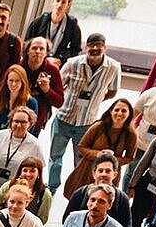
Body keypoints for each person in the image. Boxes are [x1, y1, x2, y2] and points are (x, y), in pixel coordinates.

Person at [49, 33, 121, 190]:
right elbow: (59, 86)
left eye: (99, 45)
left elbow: (112, 91)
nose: (95, 48)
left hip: (86, 122)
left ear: (105, 47)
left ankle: (78, 189)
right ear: (85, 47)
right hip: (64, 118)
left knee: (82, 161)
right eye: (91, 45)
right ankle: (52, 188)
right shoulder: (72, 63)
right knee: (55, 157)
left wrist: (95, 101)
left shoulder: (114, 67)